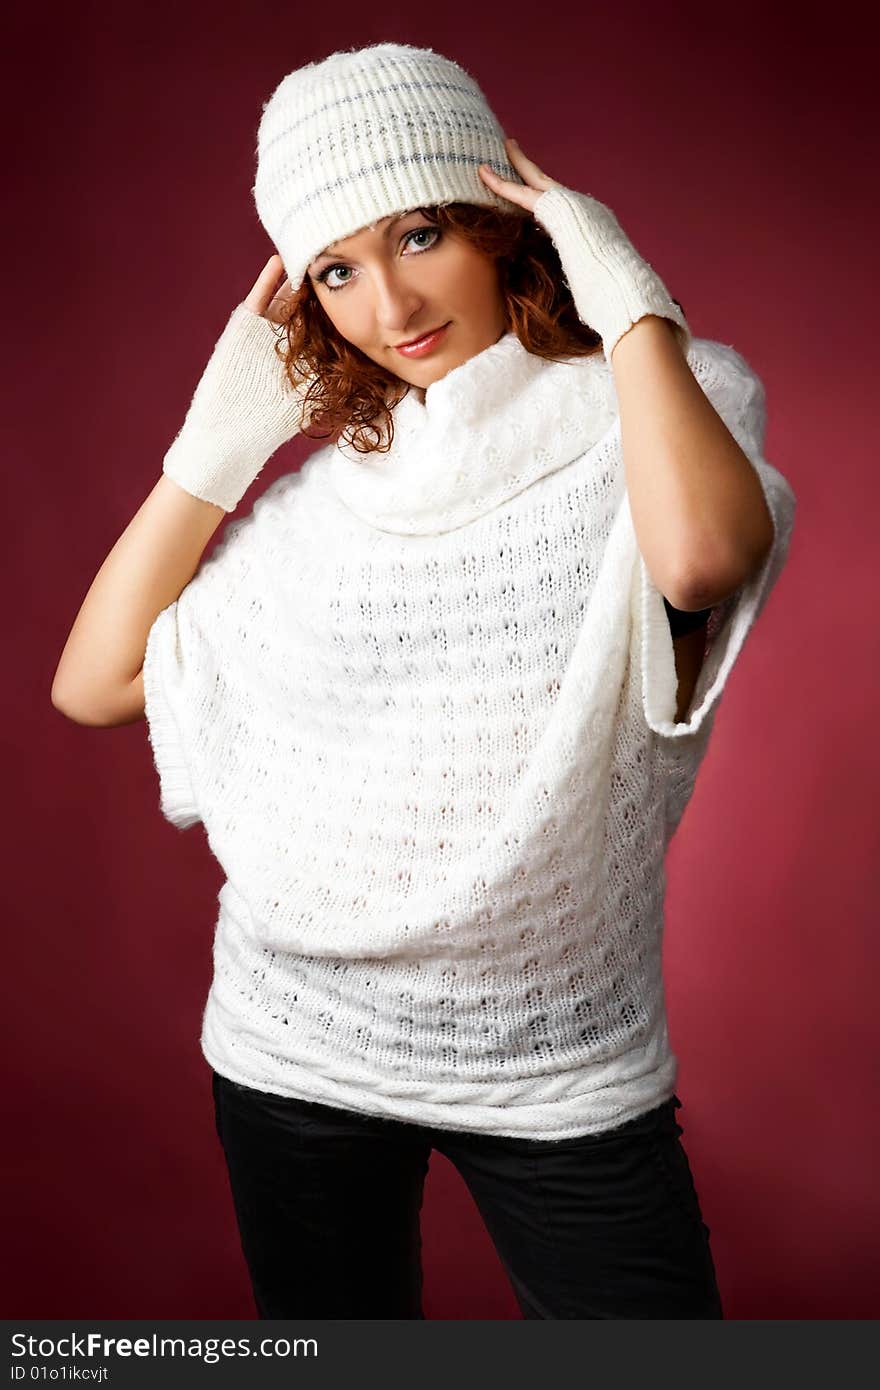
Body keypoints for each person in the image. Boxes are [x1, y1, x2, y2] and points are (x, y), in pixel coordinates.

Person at [51, 41, 796, 1319]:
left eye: (419, 232)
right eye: (336, 269)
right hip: (293, 1047)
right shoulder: (331, 499)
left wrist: (629, 302)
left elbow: (701, 553)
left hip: (557, 1067)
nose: (389, 307)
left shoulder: (669, 403)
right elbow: (93, 681)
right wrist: (215, 448)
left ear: (507, 226)